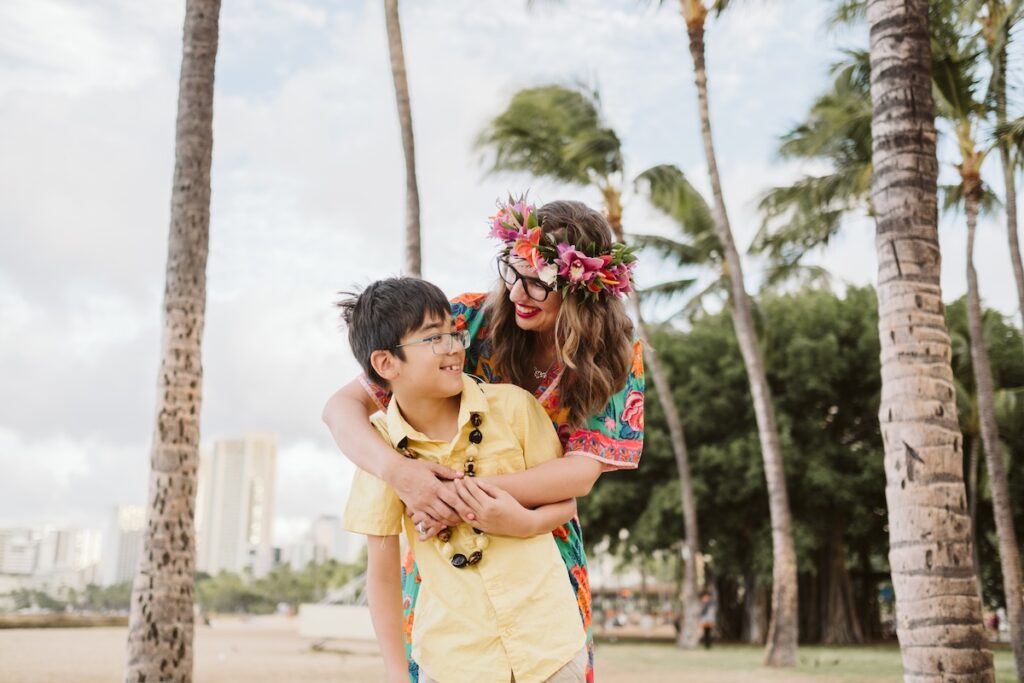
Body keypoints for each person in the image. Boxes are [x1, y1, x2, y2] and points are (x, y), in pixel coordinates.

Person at [323, 198, 645, 682]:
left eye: (539, 282)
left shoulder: (614, 355)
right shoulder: (466, 323)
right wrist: (405, 476)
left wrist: (460, 498)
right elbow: (341, 408)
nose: (519, 291)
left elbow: (580, 472)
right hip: (445, 558)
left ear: (583, 291)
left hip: (540, 540)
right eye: (512, 272)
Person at [338, 277, 588, 683]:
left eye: (454, 333)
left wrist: (522, 522)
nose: (455, 347)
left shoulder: (514, 408)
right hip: (455, 662)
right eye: (433, 338)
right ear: (386, 364)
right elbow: (382, 576)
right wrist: (398, 677)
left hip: (551, 652)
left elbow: (567, 504)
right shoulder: (381, 451)